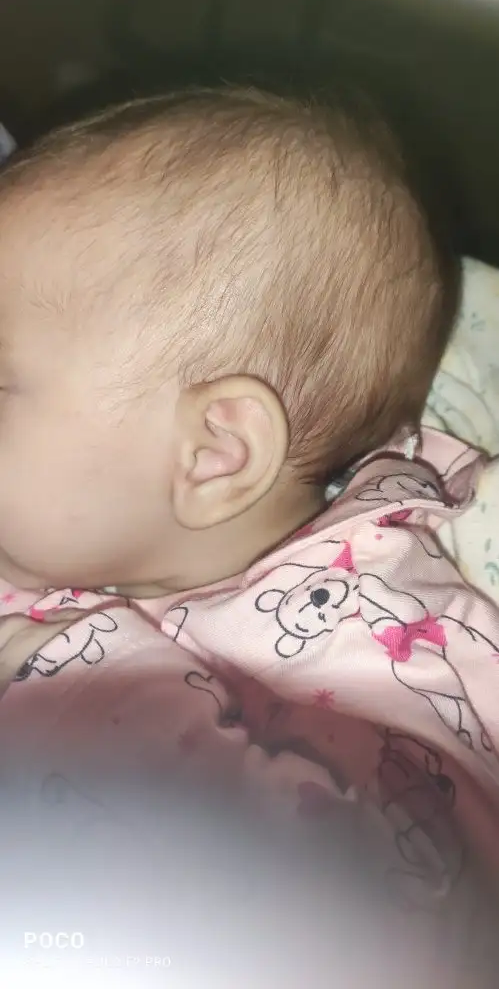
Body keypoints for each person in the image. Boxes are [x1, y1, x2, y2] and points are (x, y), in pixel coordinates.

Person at [0, 88, 497, 976]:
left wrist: (94, 696)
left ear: (213, 453)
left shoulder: (391, 639)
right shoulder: (59, 535)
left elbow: (423, 922)